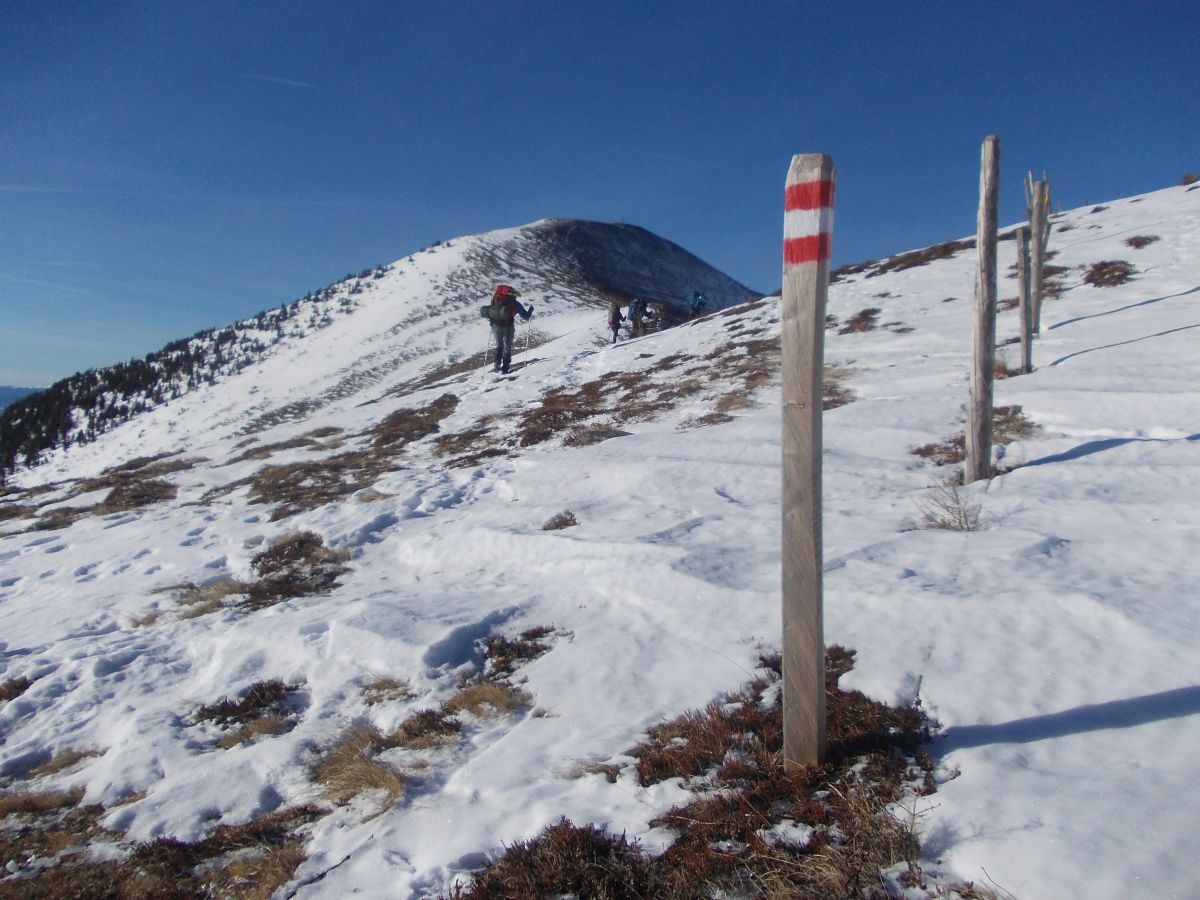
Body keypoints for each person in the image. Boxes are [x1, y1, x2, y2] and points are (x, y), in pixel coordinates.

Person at [486, 284, 532, 373]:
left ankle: (496, 366)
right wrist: (531, 310)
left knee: (499, 346)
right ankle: (505, 368)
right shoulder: (515, 303)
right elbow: (526, 316)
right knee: (507, 347)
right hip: (508, 327)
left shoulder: (496, 300)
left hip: (496, 326)